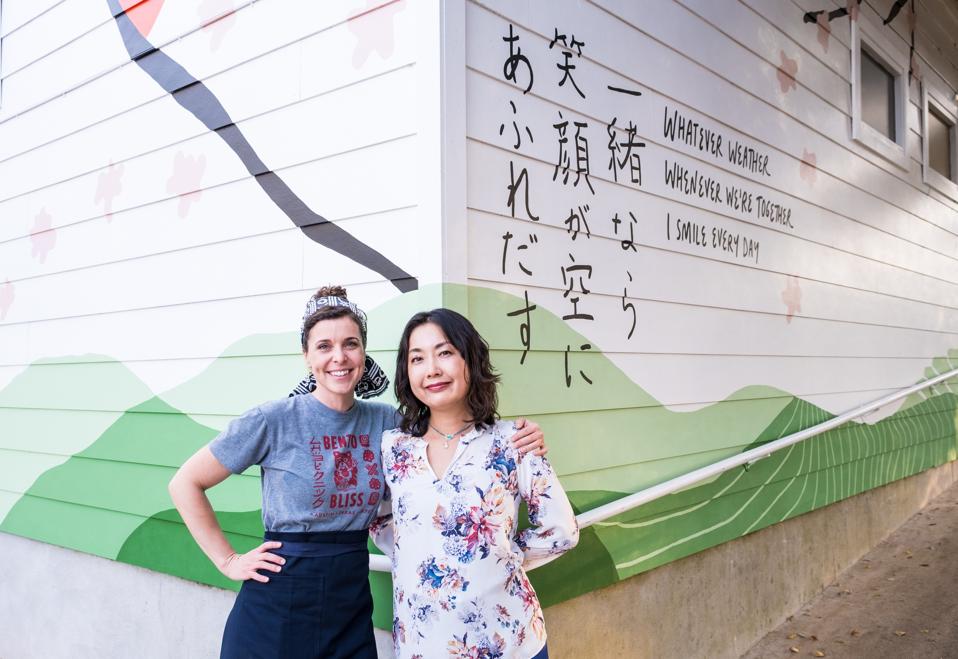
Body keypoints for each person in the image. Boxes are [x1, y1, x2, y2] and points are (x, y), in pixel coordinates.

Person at [168, 286, 546, 659]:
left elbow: (451, 432)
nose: (339, 357)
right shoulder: (273, 420)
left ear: (363, 353)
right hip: (276, 602)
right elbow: (186, 483)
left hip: (348, 604)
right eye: (324, 346)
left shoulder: (388, 424)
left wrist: (515, 436)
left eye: (350, 344)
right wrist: (229, 561)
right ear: (306, 356)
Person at [371, 308, 579, 659]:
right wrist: (424, 554)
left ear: (471, 359)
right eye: (417, 358)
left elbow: (561, 531)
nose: (432, 369)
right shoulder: (394, 447)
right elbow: (381, 519)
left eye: (446, 352)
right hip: (421, 645)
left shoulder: (513, 440)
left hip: (508, 642)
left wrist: (499, 556)